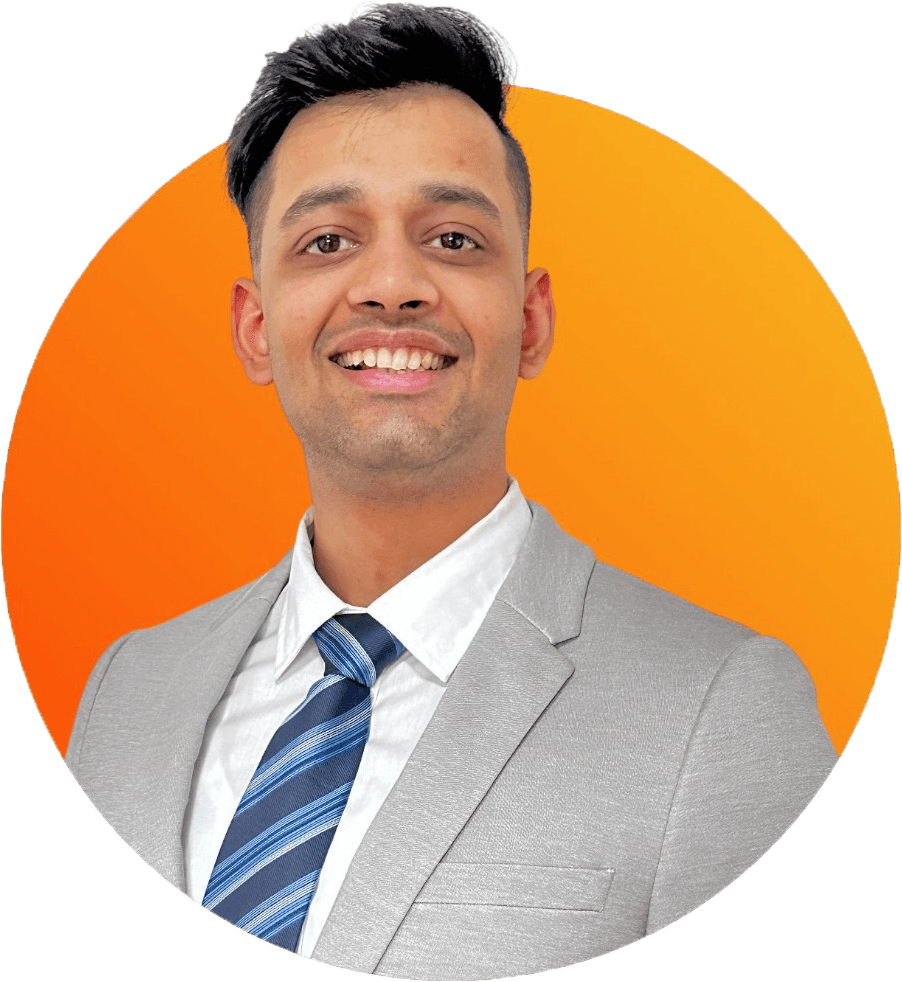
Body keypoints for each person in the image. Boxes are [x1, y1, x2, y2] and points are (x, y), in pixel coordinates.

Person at [65, 4, 837, 978]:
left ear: (532, 319)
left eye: (455, 239)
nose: (392, 284)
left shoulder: (723, 710)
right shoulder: (126, 689)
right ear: (256, 330)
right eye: (327, 241)